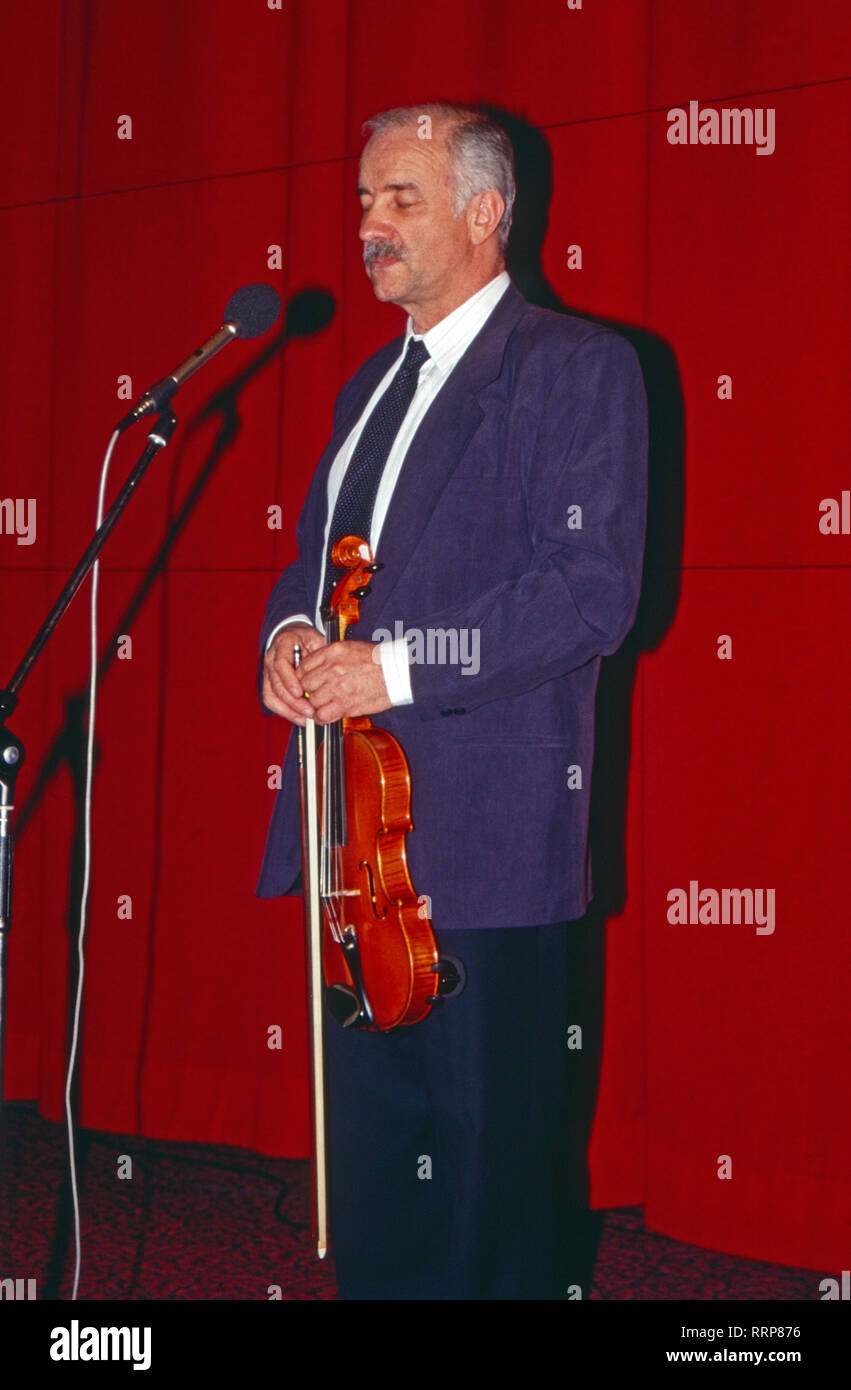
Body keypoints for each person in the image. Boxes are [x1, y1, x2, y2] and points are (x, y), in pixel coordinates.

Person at [257, 102, 647, 1300]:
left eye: (401, 199)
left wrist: (394, 664)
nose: (368, 223)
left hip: (483, 840)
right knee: (377, 1162)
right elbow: (319, 559)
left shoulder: (578, 367)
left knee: (491, 1169)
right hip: (354, 838)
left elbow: (590, 594)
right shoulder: (368, 384)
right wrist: (285, 635)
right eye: (364, 199)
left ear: (485, 212)